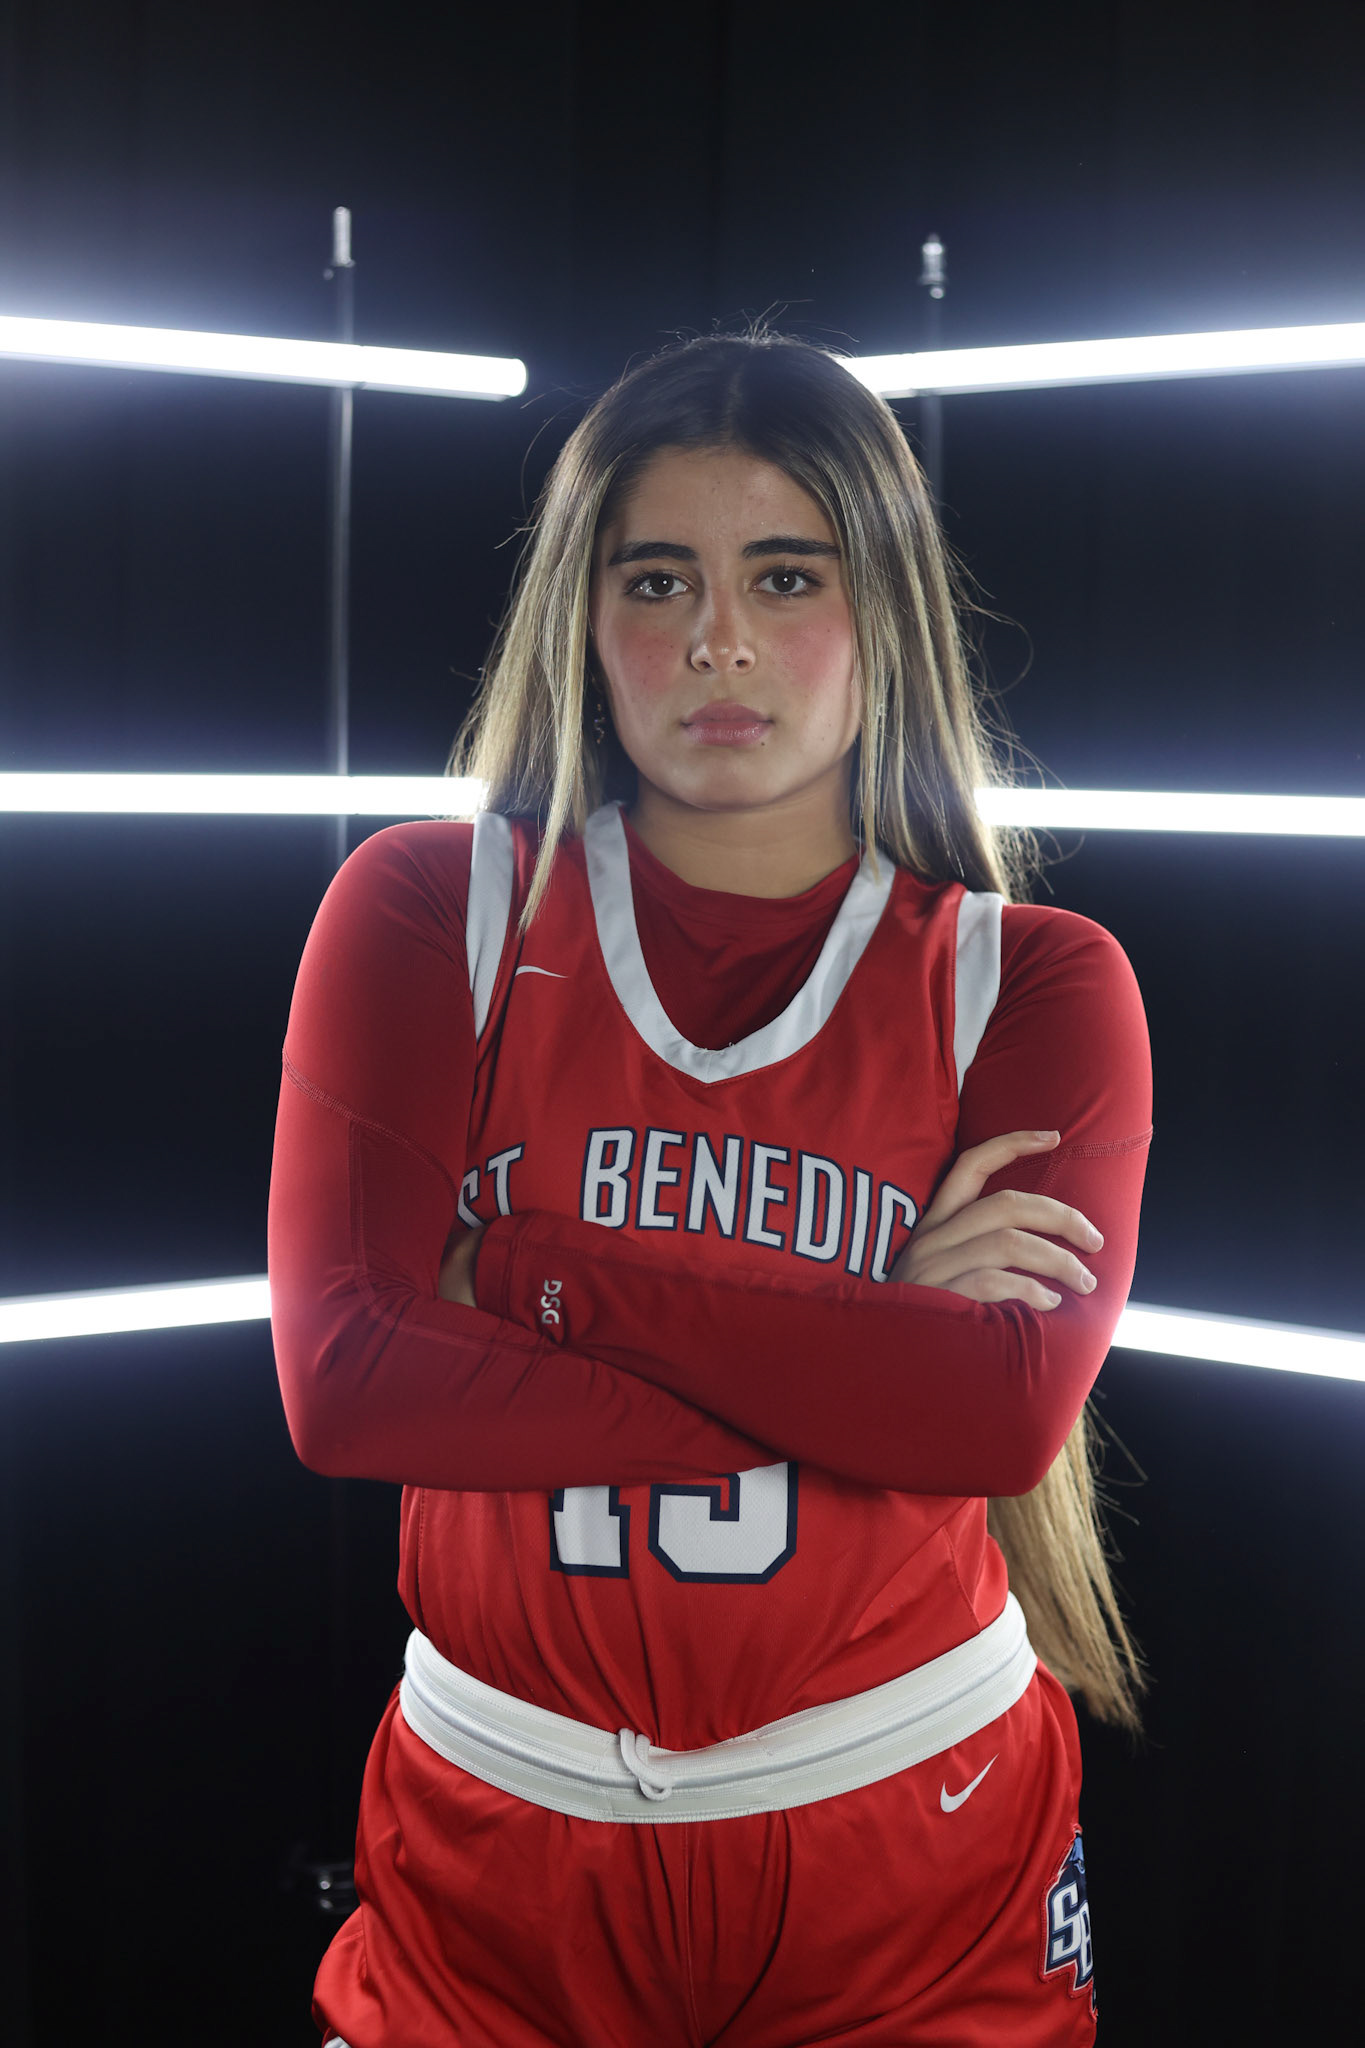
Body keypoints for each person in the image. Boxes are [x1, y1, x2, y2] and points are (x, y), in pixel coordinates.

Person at [268, 326, 1152, 2047]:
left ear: (882, 612)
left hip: (910, 1831)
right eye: (656, 579)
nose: (718, 641)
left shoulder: (1030, 983)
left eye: (786, 575)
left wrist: (516, 1272)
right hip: (493, 1843)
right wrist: (868, 1352)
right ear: (583, 622)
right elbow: (344, 1380)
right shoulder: (427, 915)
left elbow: (991, 1426)